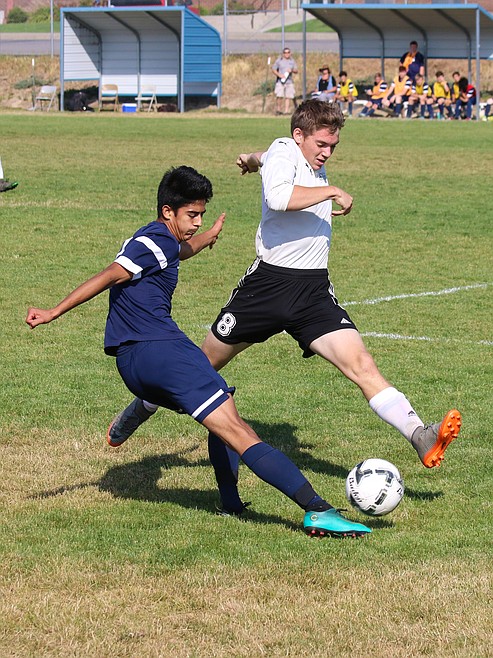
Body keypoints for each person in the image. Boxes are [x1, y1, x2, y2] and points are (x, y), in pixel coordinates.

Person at [109, 103, 462, 518]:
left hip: (313, 292)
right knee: (200, 367)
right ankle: (144, 405)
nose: (327, 152)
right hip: (269, 287)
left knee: (362, 364)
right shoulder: (284, 149)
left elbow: (269, 159)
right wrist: (330, 190)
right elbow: (278, 197)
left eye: (333, 146)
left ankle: (420, 435)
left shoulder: (289, 156)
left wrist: (251, 159)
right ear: (298, 136)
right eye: (322, 143)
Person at [25, 164, 370, 539]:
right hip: (162, 352)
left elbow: (177, 251)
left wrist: (207, 237)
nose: (197, 221)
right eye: (192, 214)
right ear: (167, 211)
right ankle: (317, 510)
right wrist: (53, 311)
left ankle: (227, 499)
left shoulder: (157, 240)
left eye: (202, 214)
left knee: (223, 406)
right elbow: (110, 274)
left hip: (132, 364)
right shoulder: (151, 243)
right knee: (237, 430)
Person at [272, 47, 298, 115]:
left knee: (288, 96)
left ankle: (286, 111)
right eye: (285, 52)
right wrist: (279, 75)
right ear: (283, 53)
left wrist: (291, 70)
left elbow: (296, 70)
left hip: (289, 81)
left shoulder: (292, 61)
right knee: (279, 96)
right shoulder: (279, 61)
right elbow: (273, 69)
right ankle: (278, 110)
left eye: (288, 52)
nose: (287, 54)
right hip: (280, 81)